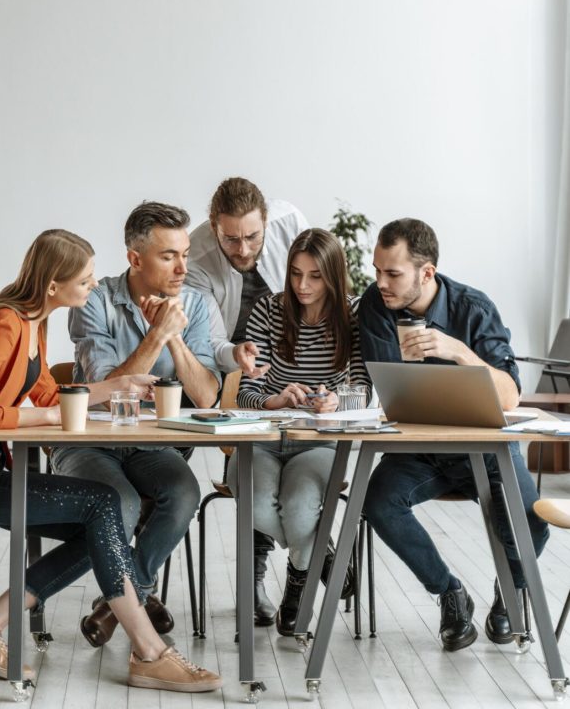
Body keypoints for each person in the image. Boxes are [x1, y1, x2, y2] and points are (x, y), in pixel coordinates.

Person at [0, 229, 221, 692]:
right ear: (53, 285)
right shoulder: (5, 325)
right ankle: (150, 651)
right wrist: (50, 415)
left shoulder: (33, 322)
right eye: (86, 280)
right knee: (102, 506)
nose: (95, 287)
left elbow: (50, 393)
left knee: (101, 519)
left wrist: (113, 387)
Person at [357, 217, 549, 652]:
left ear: (427, 273)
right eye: (377, 270)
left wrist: (458, 351)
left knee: (532, 525)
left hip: (484, 448)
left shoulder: (473, 309)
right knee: (378, 502)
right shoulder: (375, 305)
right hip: (421, 449)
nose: (380, 282)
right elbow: (390, 391)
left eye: (392, 273)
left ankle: (508, 593)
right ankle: (449, 594)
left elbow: (510, 397)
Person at [52, 203, 221, 647]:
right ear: (135, 258)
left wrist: (176, 335)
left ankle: (122, 600)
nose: (183, 266)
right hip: (89, 441)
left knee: (184, 492)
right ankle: (139, 600)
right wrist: (156, 334)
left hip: (151, 444)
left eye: (185, 253)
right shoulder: (95, 299)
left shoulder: (196, 305)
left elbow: (205, 396)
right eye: (169, 255)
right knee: (120, 501)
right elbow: (102, 387)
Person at [226, 228, 370, 636]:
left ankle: (297, 587)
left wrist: (335, 403)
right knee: (253, 502)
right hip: (264, 438)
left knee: (302, 507)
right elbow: (247, 393)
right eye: (295, 274)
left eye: (315, 276)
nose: (302, 286)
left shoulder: (353, 315)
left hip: (320, 441)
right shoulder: (268, 310)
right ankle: (322, 554)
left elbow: (362, 392)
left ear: (333, 276)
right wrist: (276, 400)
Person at [187, 177, 308, 625]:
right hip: (236, 370)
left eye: (252, 237)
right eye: (230, 239)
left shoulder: (291, 221)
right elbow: (209, 338)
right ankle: (257, 581)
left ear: (267, 223)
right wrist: (235, 357)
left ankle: (309, 562)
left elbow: (316, 284)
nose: (242, 249)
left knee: (291, 471)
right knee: (251, 467)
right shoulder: (197, 254)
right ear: (214, 228)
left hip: (297, 359)